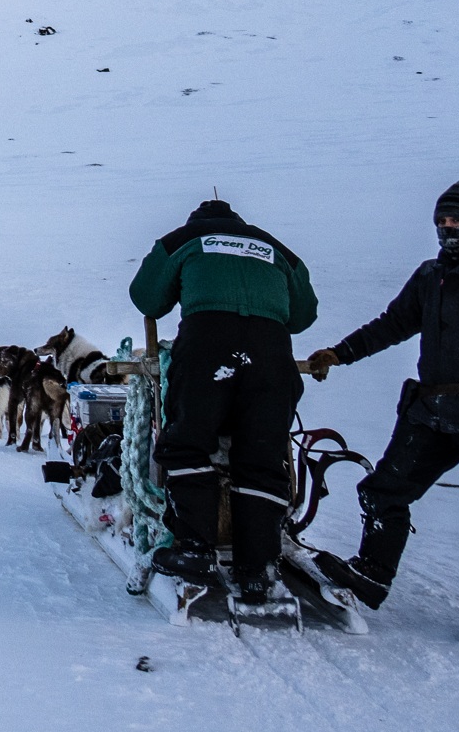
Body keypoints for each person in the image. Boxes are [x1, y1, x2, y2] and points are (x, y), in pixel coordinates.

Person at [303, 180, 459, 643]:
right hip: (430, 413)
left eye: (457, 221)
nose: (448, 229)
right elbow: (392, 324)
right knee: (382, 492)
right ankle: (371, 575)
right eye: (441, 222)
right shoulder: (429, 277)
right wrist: (340, 353)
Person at [128, 197, 319, 615]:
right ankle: (258, 567)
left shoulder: (182, 239)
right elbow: (303, 316)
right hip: (272, 353)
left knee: (187, 442)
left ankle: (195, 549)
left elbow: (147, 299)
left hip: (207, 343)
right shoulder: (275, 247)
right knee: (263, 453)